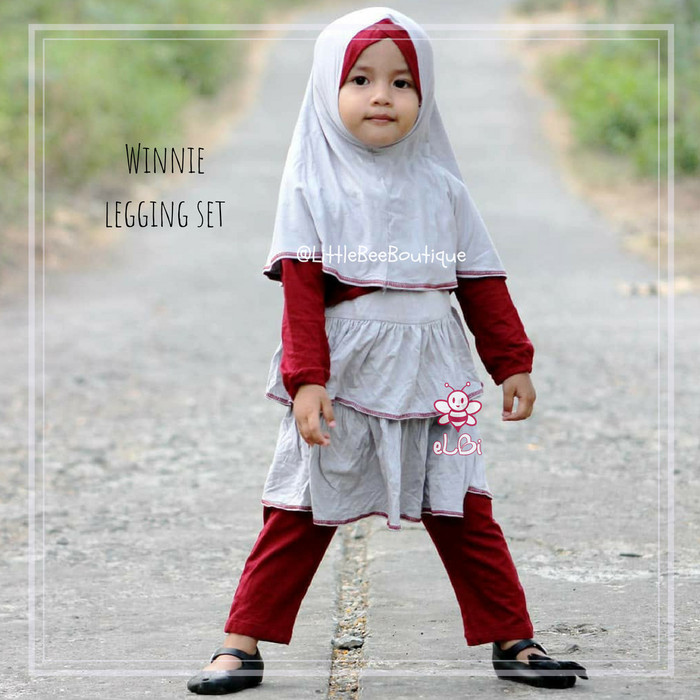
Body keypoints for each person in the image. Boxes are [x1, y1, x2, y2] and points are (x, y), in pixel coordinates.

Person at [187, 6, 588, 695]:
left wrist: (511, 362)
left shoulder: (444, 187)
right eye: (362, 80)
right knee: (301, 508)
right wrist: (306, 378)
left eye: (403, 83)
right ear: (328, 89)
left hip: (439, 371)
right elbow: (301, 293)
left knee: (464, 505)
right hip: (346, 371)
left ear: (424, 94)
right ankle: (239, 644)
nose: (383, 96)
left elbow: (480, 279)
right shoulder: (313, 185)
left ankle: (514, 638)